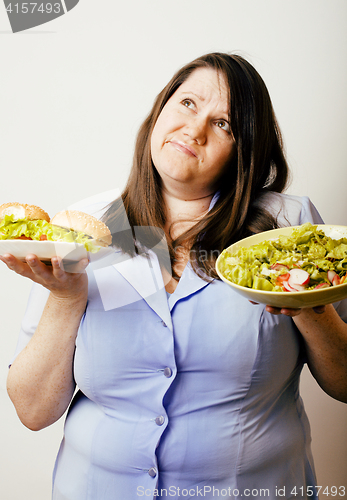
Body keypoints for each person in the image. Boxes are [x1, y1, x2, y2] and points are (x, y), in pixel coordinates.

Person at [2, 53, 347, 500]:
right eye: (187, 104)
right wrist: (66, 298)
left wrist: (306, 303)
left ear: (245, 150)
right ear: (160, 110)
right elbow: (32, 409)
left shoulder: (287, 228)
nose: (195, 129)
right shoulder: (81, 227)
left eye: (223, 123)